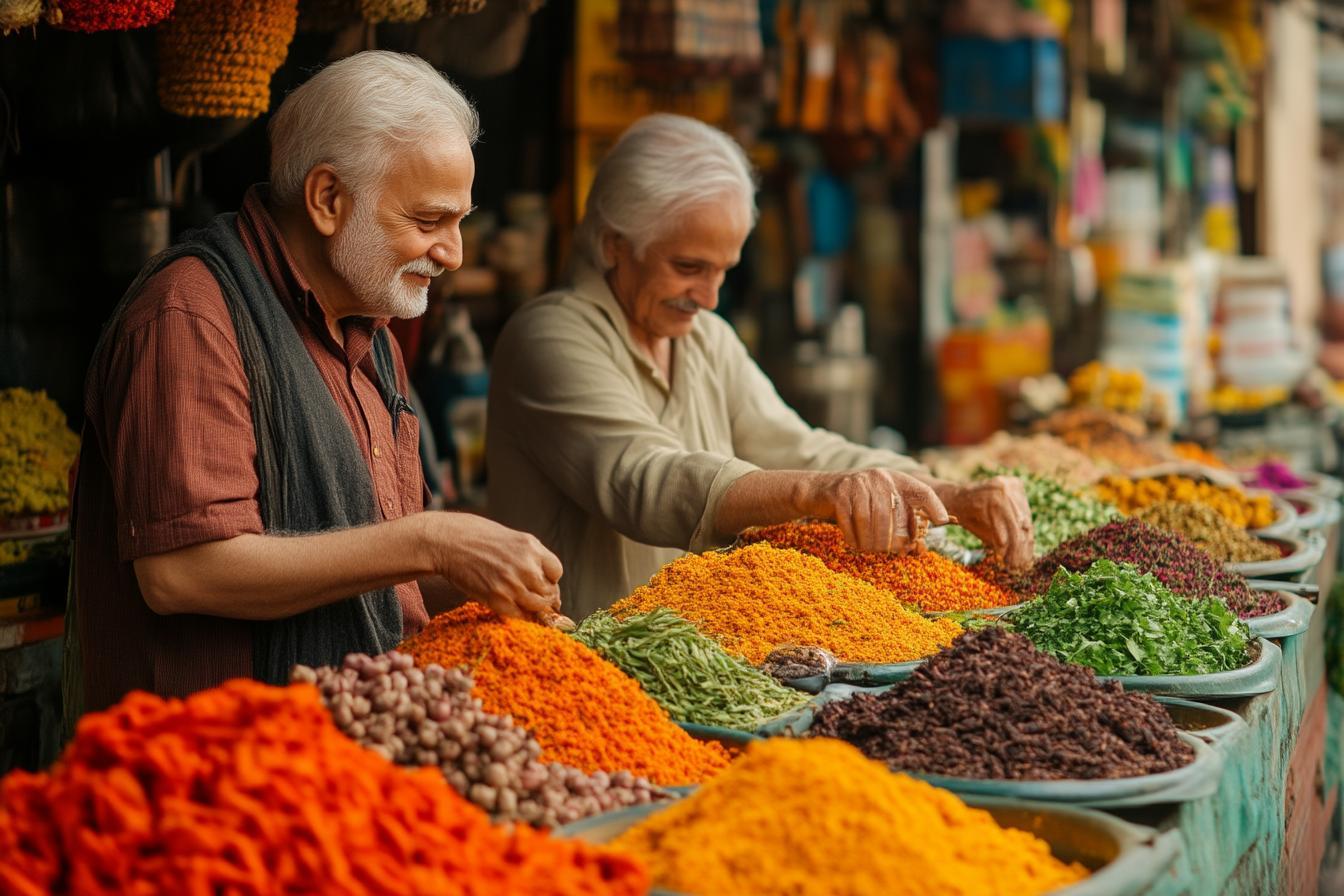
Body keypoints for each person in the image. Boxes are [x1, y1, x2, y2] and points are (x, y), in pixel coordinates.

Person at [65, 51, 561, 720]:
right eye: (428, 221)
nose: (454, 253)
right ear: (329, 199)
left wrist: (488, 581)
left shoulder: (373, 332)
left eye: (461, 222)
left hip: (346, 755)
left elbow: (374, 568)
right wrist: (431, 539)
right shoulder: (189, 316)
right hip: (218, 775)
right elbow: (182, 573)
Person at [487, 113, 1034, 620]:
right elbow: (646, 480)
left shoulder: (705, 339)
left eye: (723, 271)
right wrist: (820, 492)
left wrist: (951, 497)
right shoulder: (550, 337)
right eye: (688, 268)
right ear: (613, 245)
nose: (709, 297)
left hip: (690, 661)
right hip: (580, 667)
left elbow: (803, 450)